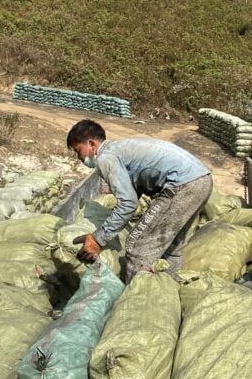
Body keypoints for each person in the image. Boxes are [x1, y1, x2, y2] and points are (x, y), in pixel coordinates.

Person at [67, 118, 213, 283]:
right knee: (171, 247)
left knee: (137, 248)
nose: (78, 157)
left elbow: (128, 204)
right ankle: (169, 290)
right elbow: (133, 192)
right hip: (202, 179)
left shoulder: (105, 158)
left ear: (91, 144)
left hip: (182, 185)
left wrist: (98, 239)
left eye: (78, 151)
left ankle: (134, 302)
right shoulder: (121, 148)